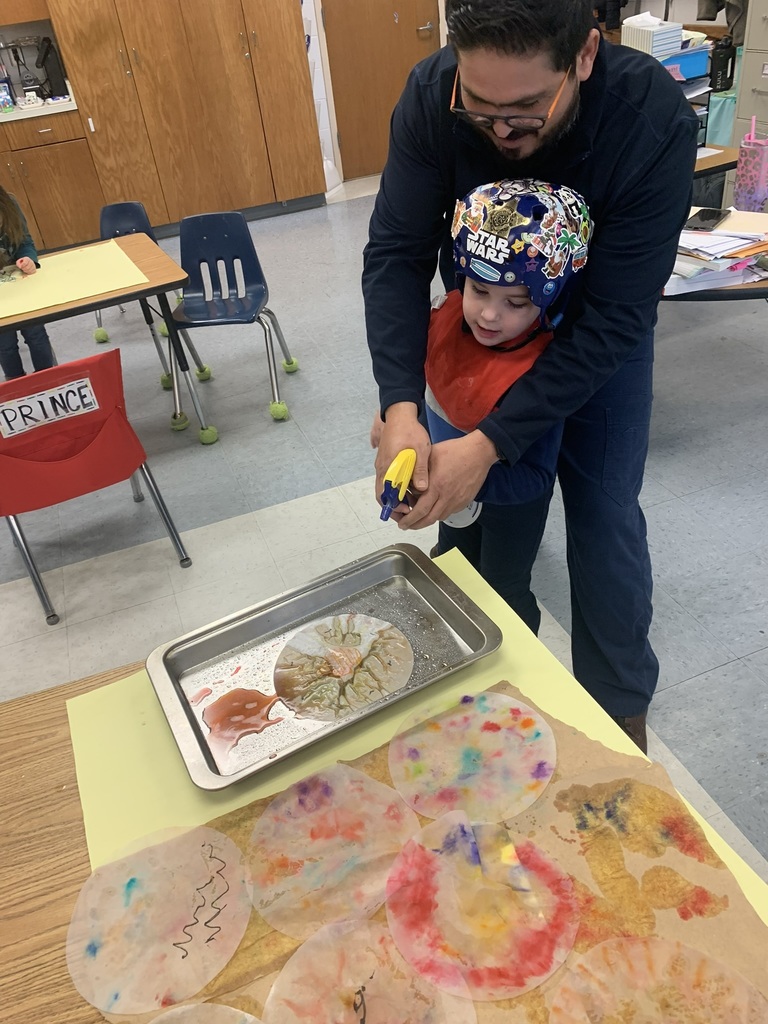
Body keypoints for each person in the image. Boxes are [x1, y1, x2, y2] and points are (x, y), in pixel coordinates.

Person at [362, 0, 699, 753]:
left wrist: (490, 443)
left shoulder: (649, 119)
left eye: (523, 110)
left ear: (583, 55)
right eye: (479, 109)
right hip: (485, 328)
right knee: (469, 516)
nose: (502, 131)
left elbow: (614, 322)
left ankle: (617, 714)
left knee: (605, 515)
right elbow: (396, 255)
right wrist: (401, 406)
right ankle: (470, 691)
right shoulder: (430, 94)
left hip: (593, 333)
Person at [377, 178, 592, 634]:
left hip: (508, 509)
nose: (489, 315)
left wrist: (464, 483)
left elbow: (535, 477)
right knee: (449, 566)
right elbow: (419, 385)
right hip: (451, 499)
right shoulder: (446, 318)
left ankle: (512, 679)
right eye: (477, 291)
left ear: (551, 301)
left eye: (515, 302)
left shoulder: (540, 373)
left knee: (502, 589)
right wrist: (393, 418)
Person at [0, 186, 55, 380]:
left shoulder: (9, 203)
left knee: (36, 334)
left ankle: (48, 378)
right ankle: (16, 384)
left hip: (20, 282)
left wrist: (29, 259)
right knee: (5, 344)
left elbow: (25, 242)